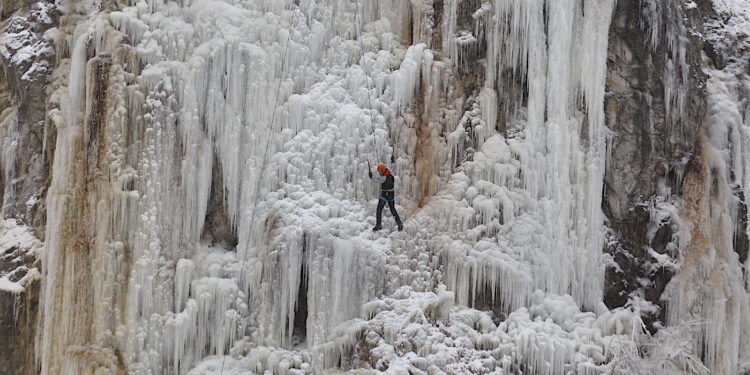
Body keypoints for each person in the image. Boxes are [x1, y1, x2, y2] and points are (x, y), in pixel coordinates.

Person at [369, 162, 403, 231]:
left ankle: (378, 225)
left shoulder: (383, 177)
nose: (380, 173)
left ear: (383, 171)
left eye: (380, 172)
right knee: (393, 210)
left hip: (385, 194)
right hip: (391, 195)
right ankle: (399, 224)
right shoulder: (391, 176)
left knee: (379, 209)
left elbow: (376, 180)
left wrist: (371, 176)